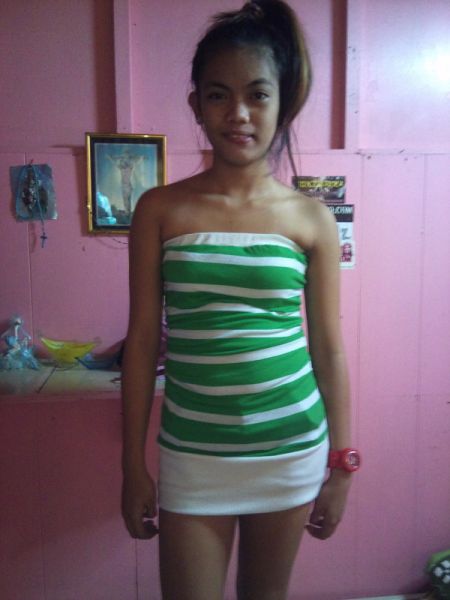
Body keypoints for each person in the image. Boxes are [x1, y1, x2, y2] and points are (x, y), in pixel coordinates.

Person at [121, 2, 359, 599]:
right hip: (193, 454)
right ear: (195, 105)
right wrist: (131, 465)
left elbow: (329, 349)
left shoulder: (311, 219)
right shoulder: (159, 209)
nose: (240, 114)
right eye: (219, 95)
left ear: (282, 104)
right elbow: (142, 342)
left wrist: (342, 464)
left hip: (290, 448)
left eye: (257, 95)